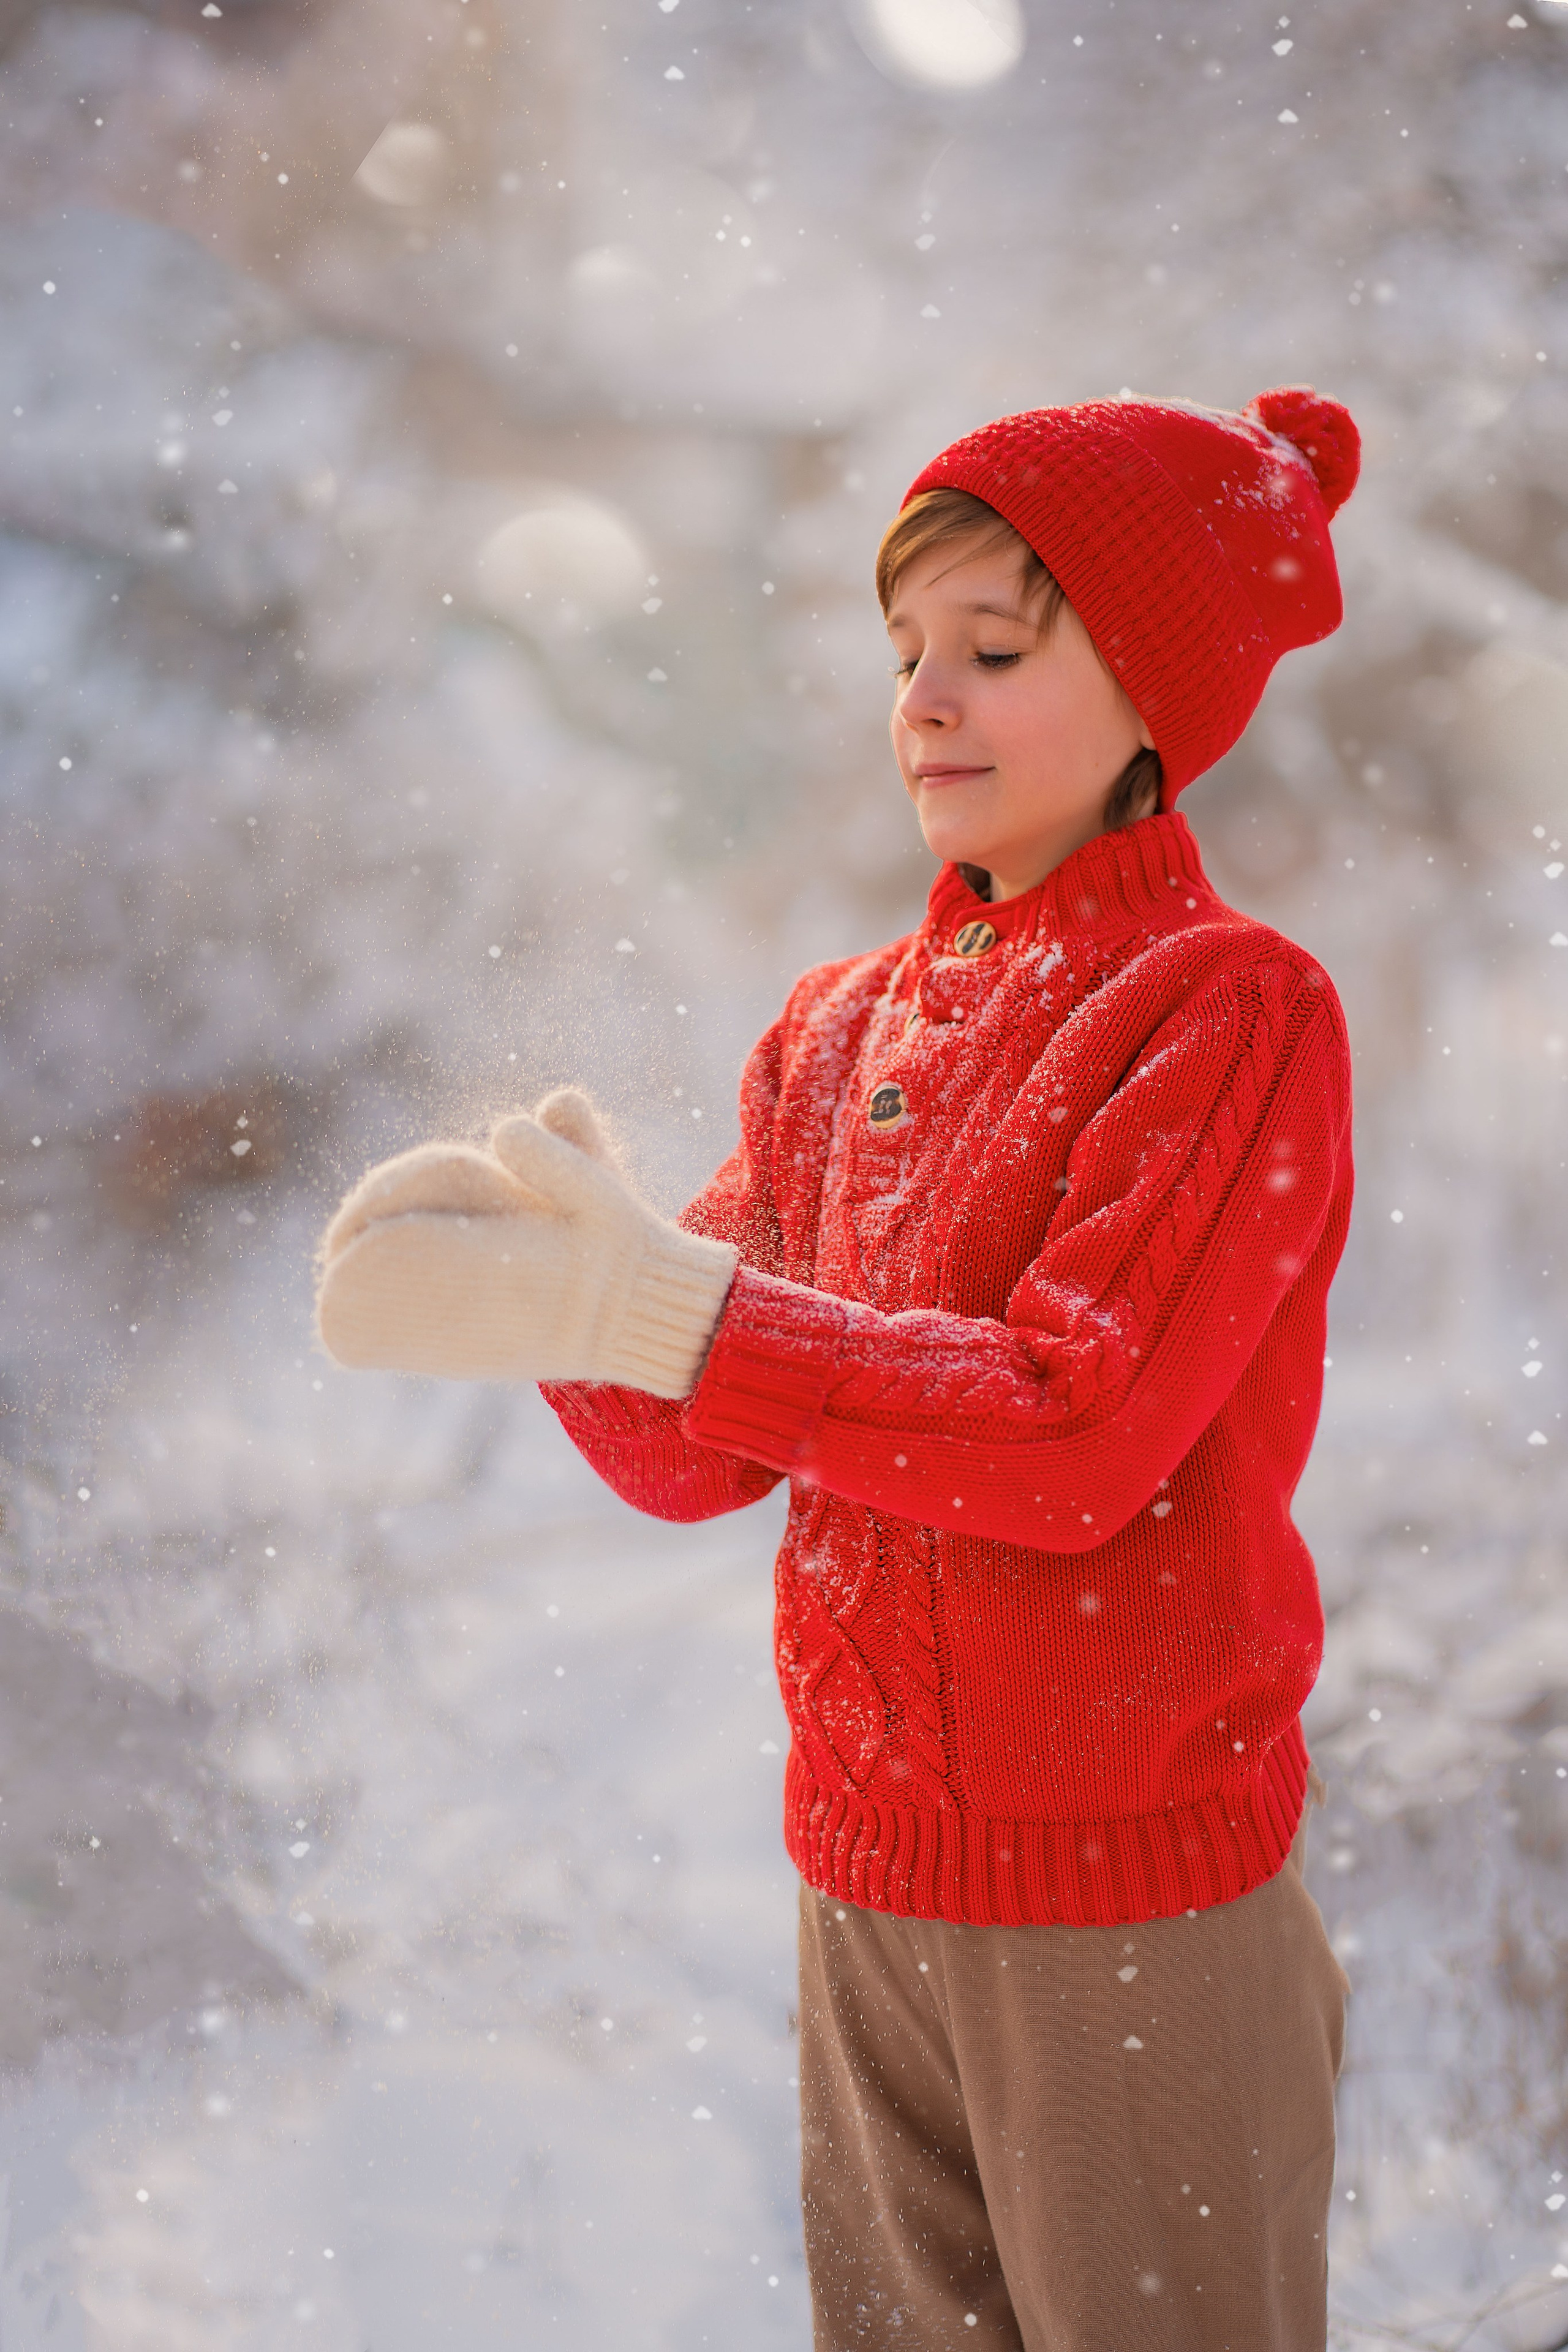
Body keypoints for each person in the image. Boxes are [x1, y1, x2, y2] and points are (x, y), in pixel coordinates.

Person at [315, 385, 1360, 2351]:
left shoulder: (1226, 1015)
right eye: (905, 658)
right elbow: (698, 1449)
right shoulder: (837, 1027)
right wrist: (567, 1303)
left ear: (1156, 694)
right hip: (867, 1896)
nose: (929, 703)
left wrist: (671, 1318)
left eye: (995, 648)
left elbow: (1075, 1432)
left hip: (1129, 1913)